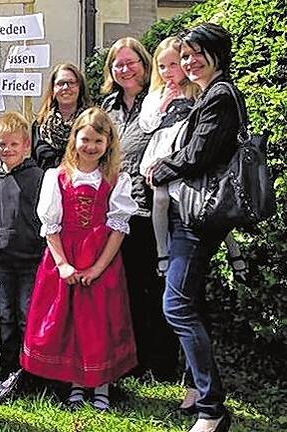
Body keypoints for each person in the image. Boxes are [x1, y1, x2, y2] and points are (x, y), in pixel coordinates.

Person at [146, 23, 243, 432]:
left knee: (177, 305)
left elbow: (198, 155)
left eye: (196, 53)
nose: (188, 62)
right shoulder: (211, 94)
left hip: (198, 216)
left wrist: (160, 167)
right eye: (184, 56)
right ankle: (205, 398)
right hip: (195, 212)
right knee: (190, 302)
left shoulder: (220, 95)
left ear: (217, 52)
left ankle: (211, 409)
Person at [20, 107, 138, 411]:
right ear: (75, 140)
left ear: (108, 143)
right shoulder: (57, 177)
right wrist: (62, 263)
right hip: (65, 257)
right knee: (69, 321)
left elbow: (118, 228)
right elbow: (51, 226)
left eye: (98, 141)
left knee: (99, 322)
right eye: (85, 139)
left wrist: (99, 267)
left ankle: (101, 386)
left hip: (102, 259)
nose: (90, 147)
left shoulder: (116, 179)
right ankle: (75, 384)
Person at [102, 37, 179, 381]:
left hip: (153, 207)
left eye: (130, 62)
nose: (124, 68)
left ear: (145, 66)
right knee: (128, 288)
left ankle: (162, 364)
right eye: (117, 63)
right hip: (119, 209)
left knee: (157, 287)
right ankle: (135, 360)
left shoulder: (159, 101)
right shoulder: (108, 106)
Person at [139, 37, 247, 282]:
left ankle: (234, 249)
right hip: (163, 151)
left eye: (174, 64)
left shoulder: (202, 91)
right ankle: (162, 251)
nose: (168, 72)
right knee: (161, 197)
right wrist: (165, 101)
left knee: (209, 202)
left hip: (181, 154)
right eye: (162, 66)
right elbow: (147, 124)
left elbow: (197, 146)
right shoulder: (157, 93)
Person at [0, 112, 45, 384]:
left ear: (26, 145)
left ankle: (31, 371)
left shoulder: (39, 177)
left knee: (27, 316)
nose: (6, 150)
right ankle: (7, 369)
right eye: (1, 144)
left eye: (13, 145)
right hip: (2, 263)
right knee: (5, 315)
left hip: (31, 260)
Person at [34, 63, 93, 170]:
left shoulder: (91, 123)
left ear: (80, 88)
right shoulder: (40, 124)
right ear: (53, 89)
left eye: (71, 83)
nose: (66, 87)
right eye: (60, 83)